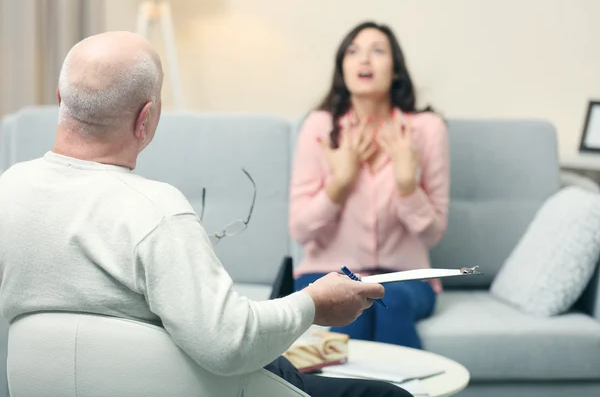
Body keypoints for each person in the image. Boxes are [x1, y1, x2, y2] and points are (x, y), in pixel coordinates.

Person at [0, 31, 412, 397]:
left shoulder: (8, 189)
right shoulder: (154, 211)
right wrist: (313, 304)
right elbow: (230, 344)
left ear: (61, 100)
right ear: (146, 118)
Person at [290, 21, 450, 349]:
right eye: (353, 51)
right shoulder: (320, 127)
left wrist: (408, 185)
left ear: (395, 71)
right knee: (352, 303)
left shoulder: (427, 130)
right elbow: (301, 230)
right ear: (342, 69)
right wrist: (340, 183)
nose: (365, 60)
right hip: (327, 273)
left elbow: (432, 234)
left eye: (378, 51)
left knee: (389, 300)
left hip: (407, 279)